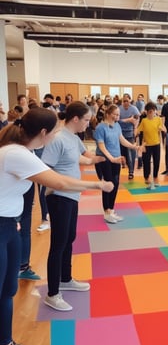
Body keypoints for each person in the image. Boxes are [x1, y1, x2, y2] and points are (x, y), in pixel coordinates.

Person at [0, 108, 113, 345]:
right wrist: (97, 184)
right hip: (3, 224)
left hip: (7, 224)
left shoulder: (20, 151)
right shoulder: (16, 153)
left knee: (8, 290)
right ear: (43, 134)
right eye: (51, 133)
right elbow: (59, 182)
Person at [41, 101, 109, 311]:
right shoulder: (58, 139)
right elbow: (45, 171)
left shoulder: (74, 138)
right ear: (75, 119)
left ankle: (65, 278)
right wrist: (53, 190)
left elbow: (84, 159)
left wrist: (107, 159)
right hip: (60, 197)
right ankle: (52, 293)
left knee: (69, 238)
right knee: (58, 243)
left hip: (72, 197)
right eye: (87, 120)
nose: (88, 124)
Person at [94, 105, 139, 223]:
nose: (118, 116)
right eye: (115, 114)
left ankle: (112, 210)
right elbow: (101, 146)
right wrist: (111, 158)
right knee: (108, 185)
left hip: (116, 159)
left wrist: (134, 146)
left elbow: (122, 139)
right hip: (104, 160)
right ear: (108, 114)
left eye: (119, 114)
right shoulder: (100, 128)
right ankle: (106, 211)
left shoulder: (117, 125)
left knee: (115, 183)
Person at [136, 102, 166, 188]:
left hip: (156, 144)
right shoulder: (144, 121)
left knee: (157, 161)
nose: (151, 113)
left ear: (155, 111)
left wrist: (162, 128)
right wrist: (137, 138)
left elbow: (163, 128)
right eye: (149, 111)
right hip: (147, 145)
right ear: (146, 112)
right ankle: (146, 177)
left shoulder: (158, 119)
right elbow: (139, 130)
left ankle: (155, 176)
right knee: (146, 162)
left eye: (153, 111)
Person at [118, 95, 140, 180]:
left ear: (130, 101)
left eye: (127, 101)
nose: (126, 102)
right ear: (122, 101)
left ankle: (131, 172)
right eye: (124, 101)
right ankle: (123, 164)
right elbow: (117, 121)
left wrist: (135, 127)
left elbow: (137, 118)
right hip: (120, 134)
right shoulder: (119, 109)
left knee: (131, 154)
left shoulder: (134, 109)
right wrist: (128, 120)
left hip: (130, 134)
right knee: (122, 153)